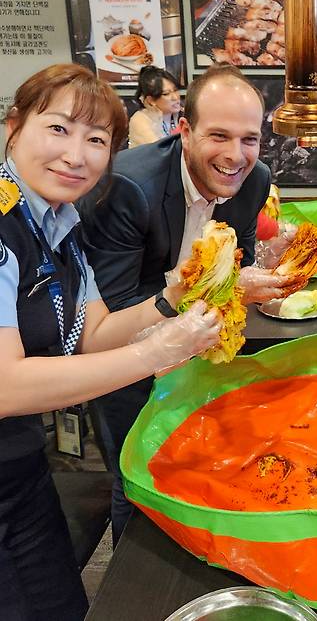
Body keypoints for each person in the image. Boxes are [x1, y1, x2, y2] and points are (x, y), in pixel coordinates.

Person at [0, 63, 220, 620]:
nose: (76, 155)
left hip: (21, 465)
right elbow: (4, 384)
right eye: (58, 129)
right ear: (13, 127)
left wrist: (176, 299)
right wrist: (156, 353)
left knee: (63, 603)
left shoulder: (61, 223)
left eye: (96, 140)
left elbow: (93, 336)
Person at [78, 63, 291, 543]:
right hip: (123, 358)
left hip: (196, 349)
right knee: (135, 475)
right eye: (218, 136)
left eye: (250, 139)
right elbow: (113, 311)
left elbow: (237, 261)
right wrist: (205, 289)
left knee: (197, 466)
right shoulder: (129, 188)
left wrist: (243, 282)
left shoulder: (255, 180)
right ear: (184, 130)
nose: (236, 156)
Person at [128, 65, 181, 148]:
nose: (175, 97)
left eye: (175, 90)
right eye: (166, 94)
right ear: (151, 100)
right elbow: (158, 152)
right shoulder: (140, 119)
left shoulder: (181, 115)